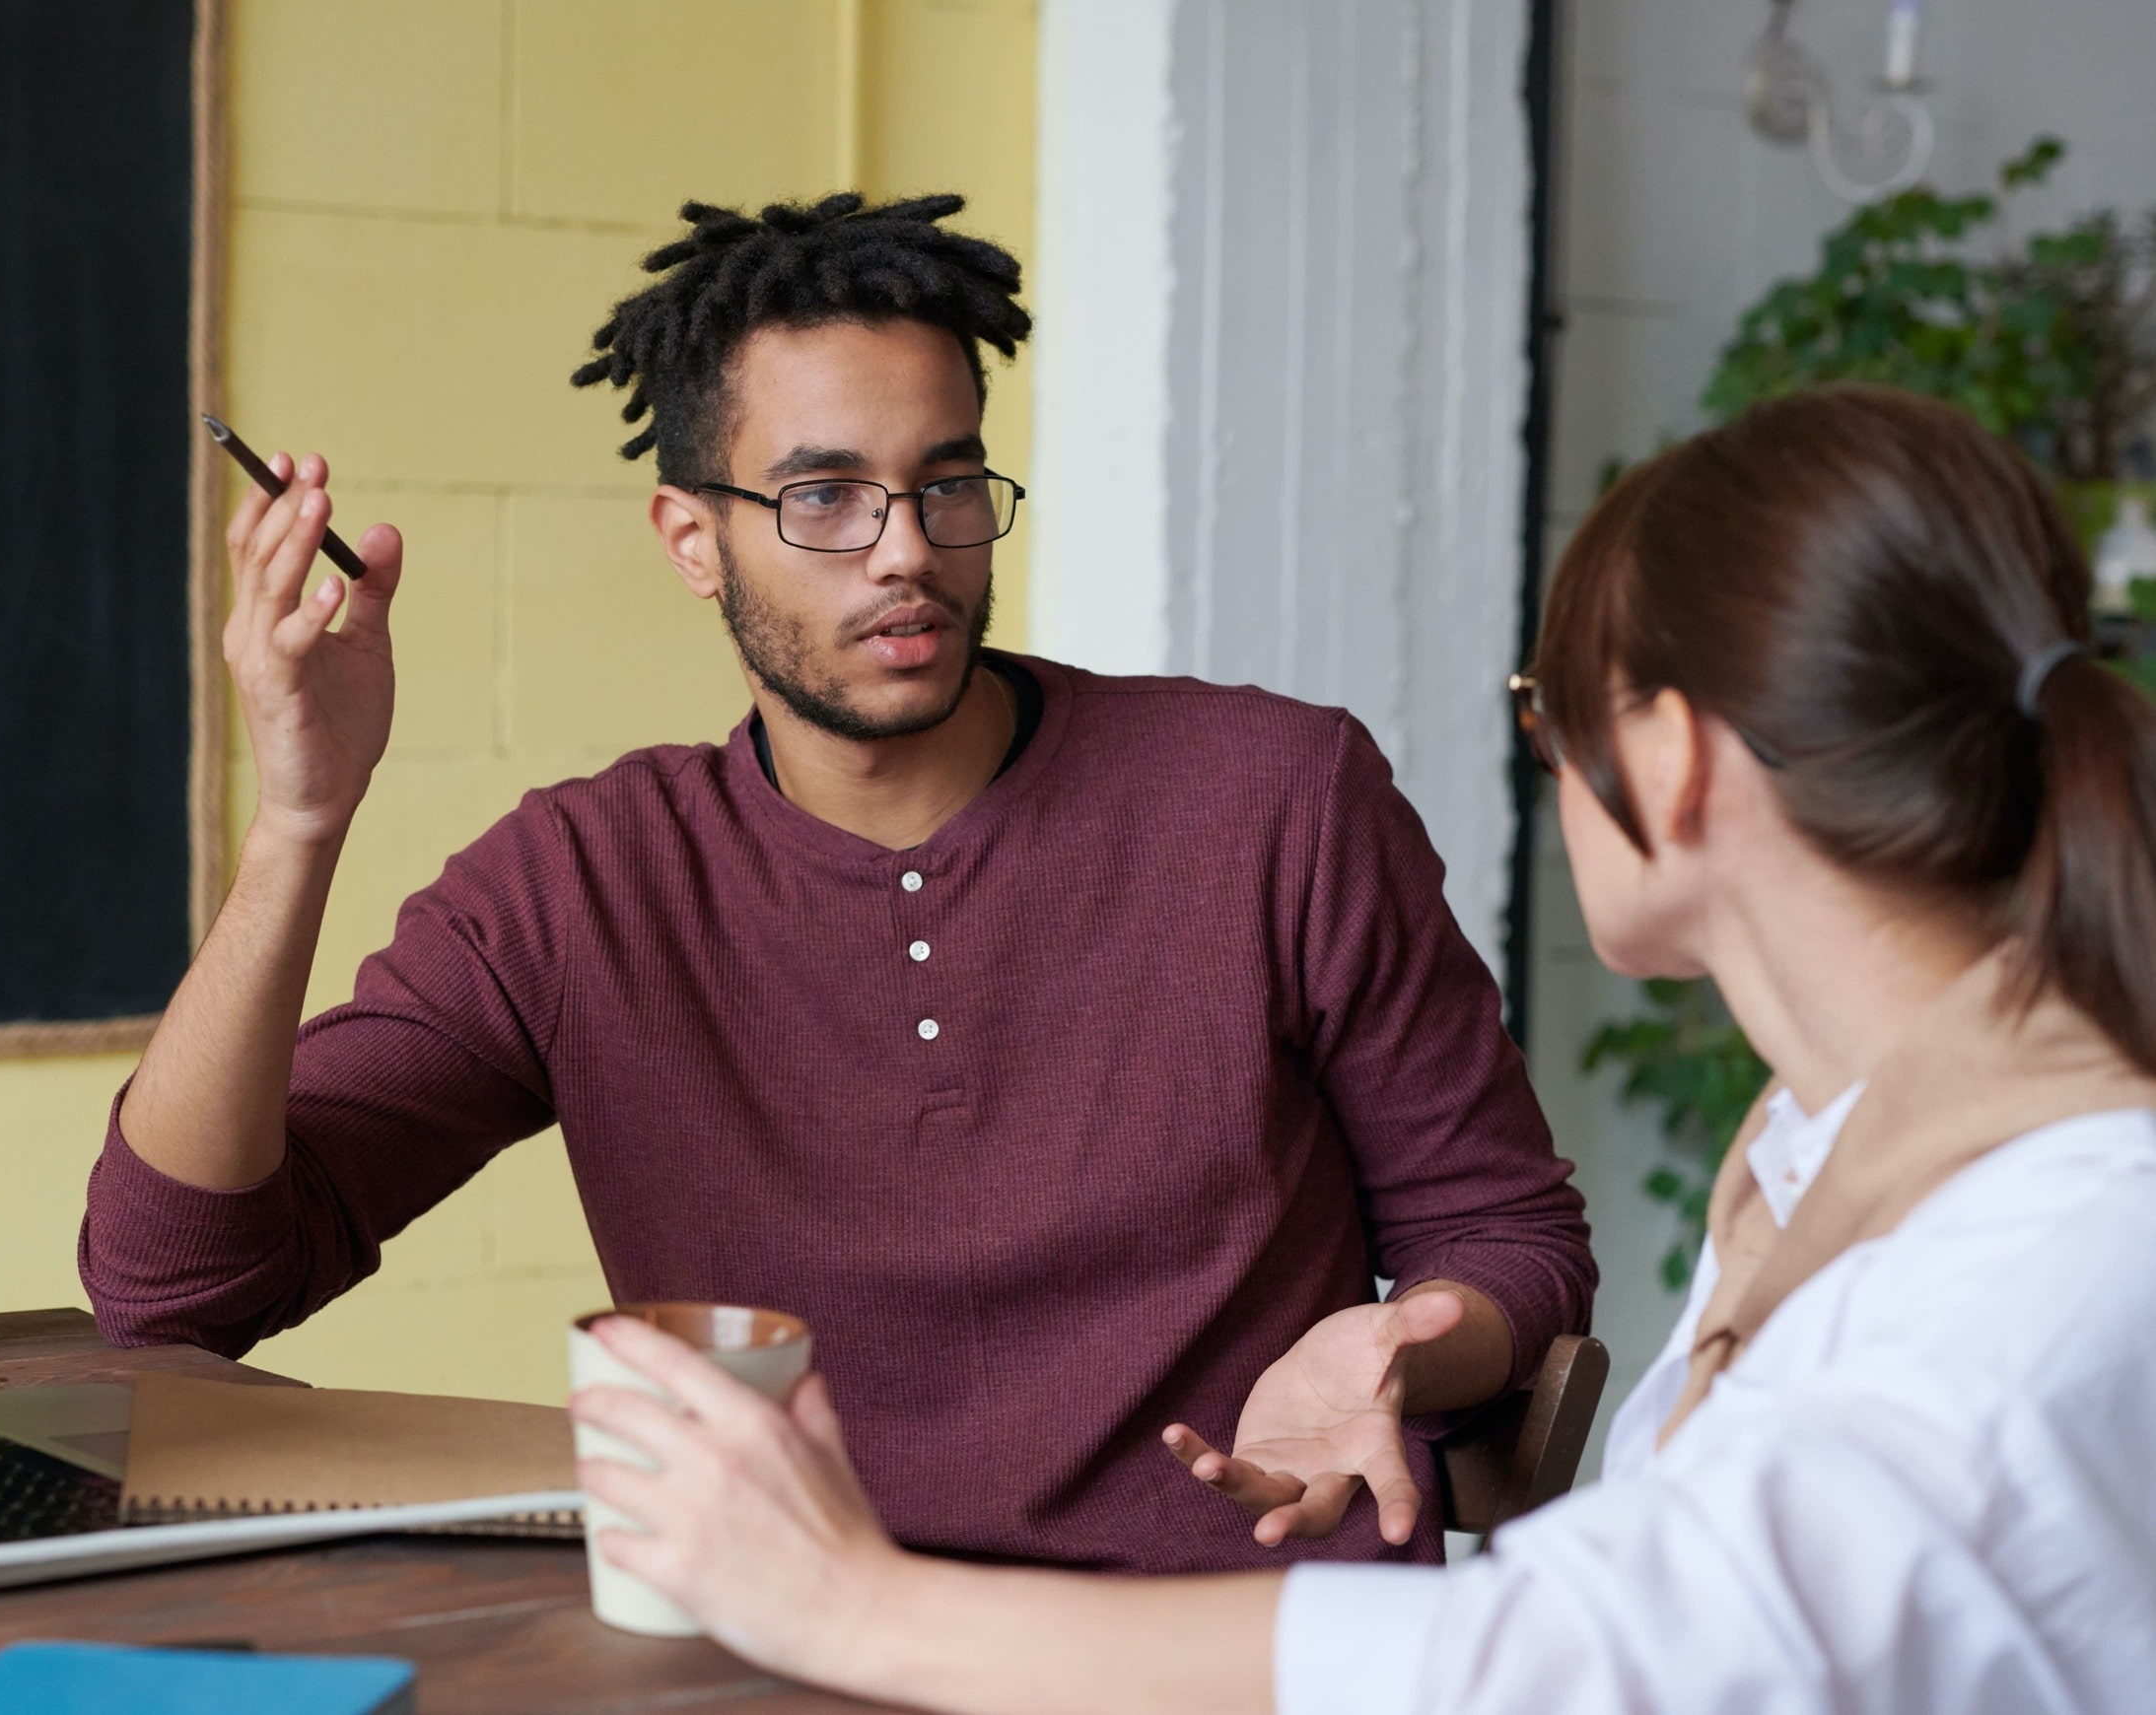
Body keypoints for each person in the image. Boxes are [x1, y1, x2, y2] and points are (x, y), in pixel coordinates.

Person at [568, 382, 2156, 1712]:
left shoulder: (2051, 1247)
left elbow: (1582, 1659)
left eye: (1543, 711)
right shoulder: (1828, 1154)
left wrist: (848, 1607)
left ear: (1665, 761)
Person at [80, 192, 1593, 1575]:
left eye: (945, 486)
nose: (904, 555)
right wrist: (298, 821)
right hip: (792, 1648)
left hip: (1222, 1642)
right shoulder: (580, 883)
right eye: (821, 497)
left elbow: (1511, 1238)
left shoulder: (1272, 797)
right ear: (691, 538)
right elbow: (178, 1287)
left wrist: (1393, 1351)